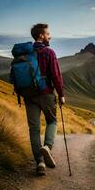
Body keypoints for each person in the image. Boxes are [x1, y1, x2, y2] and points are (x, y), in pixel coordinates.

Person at [24, 23, 65, 175]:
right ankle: (47, 147)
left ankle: (40, 163)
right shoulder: (49, 52)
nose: (50, 36)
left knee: (33, 129)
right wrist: (61, 94)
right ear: (41, 35)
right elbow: (56, 76)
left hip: (29, 95)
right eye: (48, 33)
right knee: (52, 121)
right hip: (46, 93)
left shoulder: (25, 53)